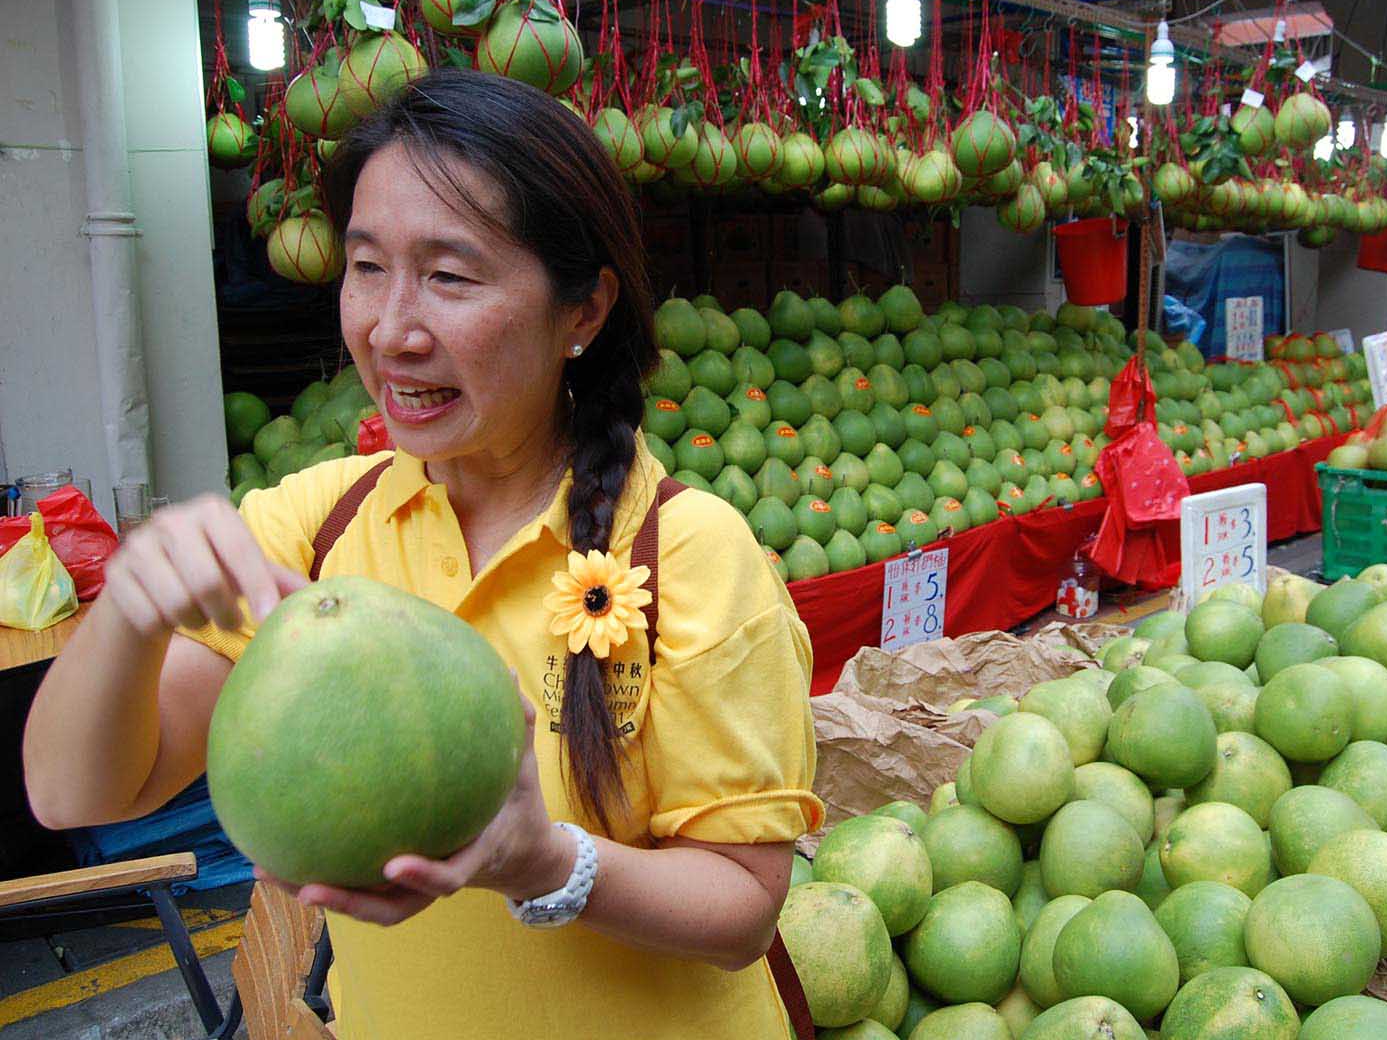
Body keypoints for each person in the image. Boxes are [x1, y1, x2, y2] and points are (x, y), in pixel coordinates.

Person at [23, 71, 822, 1040]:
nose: (392, 329)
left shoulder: (690, 551)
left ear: (582, 310)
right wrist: (128, 615)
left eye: (449, 276)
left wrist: (546, 863)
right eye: (366, 267)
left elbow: (744, 904)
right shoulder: (313, 531)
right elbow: (78, 791)